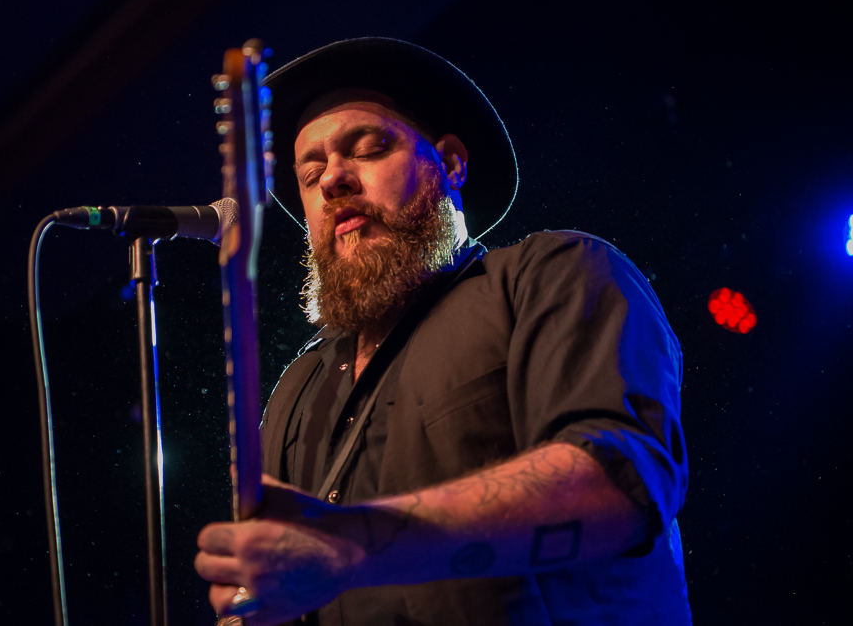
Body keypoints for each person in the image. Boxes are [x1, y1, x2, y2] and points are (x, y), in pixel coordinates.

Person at [194, 38, 691, 625]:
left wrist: (353, 544)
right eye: (309, 174)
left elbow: (620, 485)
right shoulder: (297, 388)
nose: (332, 181)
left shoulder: (555, 273)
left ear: (451, 163)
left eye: (368, 148)